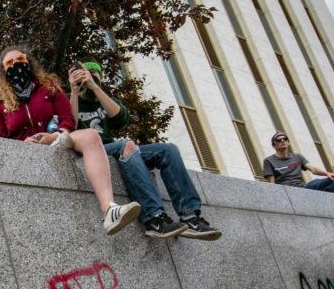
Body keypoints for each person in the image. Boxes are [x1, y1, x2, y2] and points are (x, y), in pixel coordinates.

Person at [0, 47, 140, 235]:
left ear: (28, 61)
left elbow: (68, 118)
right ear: (3, 71)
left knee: (91, 135)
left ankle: (110, 209)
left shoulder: (48, 86)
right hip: (24, 149)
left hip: (57, 139)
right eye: (10, 63)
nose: (16, 66)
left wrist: (56, 135)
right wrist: (22, 144)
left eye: (20, 59)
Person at [69, 61, 221, 239]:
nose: (87, 81)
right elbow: (69, 126)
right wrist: (74, 91)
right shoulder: (70, 98)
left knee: (168, 150)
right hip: (93, 151)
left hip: (114, 146)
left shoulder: (104, 98)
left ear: (100, 78)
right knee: (126, 144)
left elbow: (121, 119)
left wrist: (95, 88)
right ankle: (154, 218)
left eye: (93, 76)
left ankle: (190, 217)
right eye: (84, 78)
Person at [263, 131, 334, 192]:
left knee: (333, 181)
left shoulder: (297, 157)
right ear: (274, 145)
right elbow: (272, 185)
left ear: (288, 142)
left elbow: (313, 169)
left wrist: (327, 173)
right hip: (285, 191)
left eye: (285, 139)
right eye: (278, 140)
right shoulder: (269, 161)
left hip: (303, 189)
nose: (282, 141)